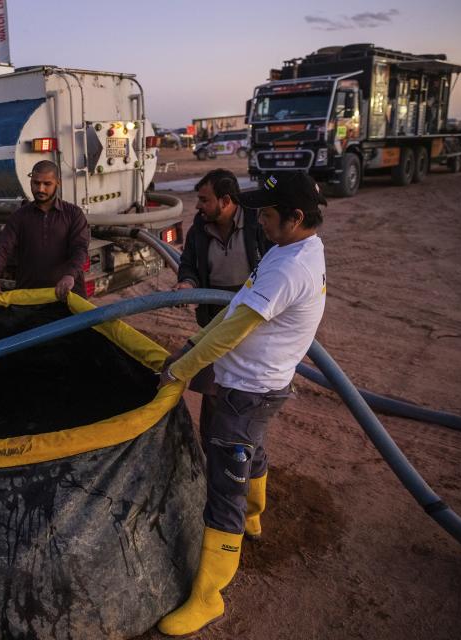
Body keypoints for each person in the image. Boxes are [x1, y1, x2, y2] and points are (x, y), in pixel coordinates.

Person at [157, 172, 327, 636]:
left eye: (269, 214)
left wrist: (181, 368)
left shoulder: (291, 266)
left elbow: (235, 329)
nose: (261, 220)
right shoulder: (291, 249)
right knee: (252, 450)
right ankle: (254, 520)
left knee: (225, 479)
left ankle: (208, 596)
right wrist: (192, 341)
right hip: (261, 386)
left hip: (249, 388)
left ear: (295, 218)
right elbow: (231, 313)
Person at [173, 169, 273, 541]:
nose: (198, 206)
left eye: (204, 200)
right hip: (214, 321)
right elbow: (188, 263)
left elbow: (270, 275)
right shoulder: (200, 228)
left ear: (227, 202)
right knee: (215, 412)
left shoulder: (260, 225)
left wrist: (177, 367)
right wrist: (188, 282)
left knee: (246, 420)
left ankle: (247, 513)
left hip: (252, 328)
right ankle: (216, 479)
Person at [0, 160, 90, 304]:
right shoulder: (19, 217)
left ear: (57, 183)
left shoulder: (73, 214)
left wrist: (69, 275)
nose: (40, 189)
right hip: (30, 299)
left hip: (68, 297)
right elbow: (2, 248)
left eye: (47, 184)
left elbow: (80, 249)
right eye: (36, 183)